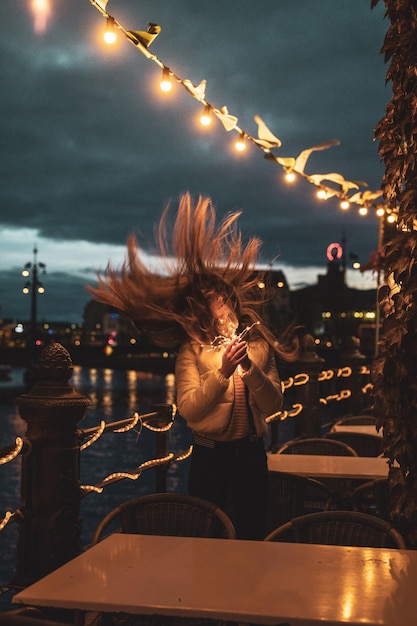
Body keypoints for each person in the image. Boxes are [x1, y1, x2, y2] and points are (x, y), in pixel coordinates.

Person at [87, 192, 298, 540]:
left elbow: (274, 405)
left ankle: (247, 591)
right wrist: (223, 372)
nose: (222, 309)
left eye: (224, 300)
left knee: (252, 529)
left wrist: (250, 369)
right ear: (203, 309)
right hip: (209, 455)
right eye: (213, 302)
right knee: (206, 533)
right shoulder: (191, 351)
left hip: (251, 454)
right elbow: (189, 409)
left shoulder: (257, 346)